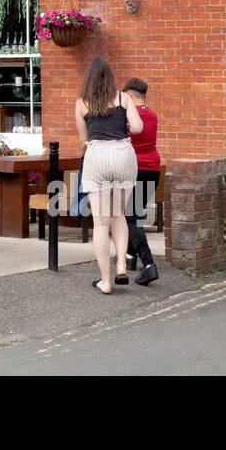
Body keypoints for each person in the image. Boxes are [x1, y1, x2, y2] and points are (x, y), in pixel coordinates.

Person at [75, 57, 143, 295]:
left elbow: (83, 140)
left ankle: (106, 281)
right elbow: (138, 128)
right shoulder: (124, 98)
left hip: (98, 155)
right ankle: (122, 266)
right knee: (119, 214)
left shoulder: (82, 103)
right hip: (123, 154)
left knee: (101, 223)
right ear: (110, 77)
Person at [122, 77, 161, 286]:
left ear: (129, 96)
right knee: (134, 213)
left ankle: (148, 265)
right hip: (152, 170)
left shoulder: (130, 117)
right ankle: (130, 257)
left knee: (131, 217)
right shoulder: (152, 115)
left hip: (135, 170)